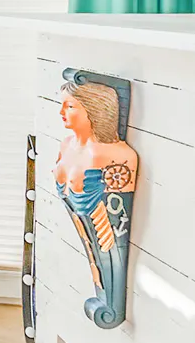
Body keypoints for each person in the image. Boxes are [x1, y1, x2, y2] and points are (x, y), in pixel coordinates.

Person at [53, 79, 137, 328]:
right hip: (84, 230)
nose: (61, 112)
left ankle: (110, 300)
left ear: (95, 111)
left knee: (109, 259)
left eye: (70, 106)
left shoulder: (108, 155)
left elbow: (115, 222)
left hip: (106, 239)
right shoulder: (67, 145)